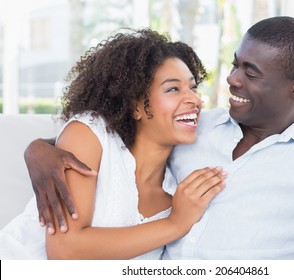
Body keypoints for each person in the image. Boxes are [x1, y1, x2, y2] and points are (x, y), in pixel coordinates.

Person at [22, 16, 294, 259]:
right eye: (234, 64)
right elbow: (116, 139)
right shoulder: (195, 129)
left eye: (251, 71)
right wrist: (38, 149)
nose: (232, 79)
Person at [0, 29, 227, 259]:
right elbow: (64, 251)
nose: (194, 100)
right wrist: (175, 224)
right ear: (135, 105)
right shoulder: (91, 135)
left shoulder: (177, 191)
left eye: (193, 87)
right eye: (173, 89)